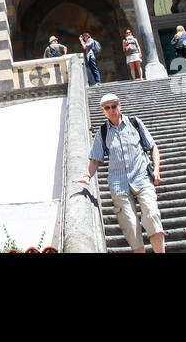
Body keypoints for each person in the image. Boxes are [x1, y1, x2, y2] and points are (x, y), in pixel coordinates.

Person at [76, 93, 165, 253]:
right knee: (131, 226)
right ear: (103, 110)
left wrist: (156, 169)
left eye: (114, 106)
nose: (111, 110)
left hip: (142, 179)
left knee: (152, 215)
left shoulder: (134, 123)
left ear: (120, 106)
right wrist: (86, 176)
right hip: (119, 185)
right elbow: (95, 159)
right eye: (107, 108)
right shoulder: (103, 132)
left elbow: (153, 147)